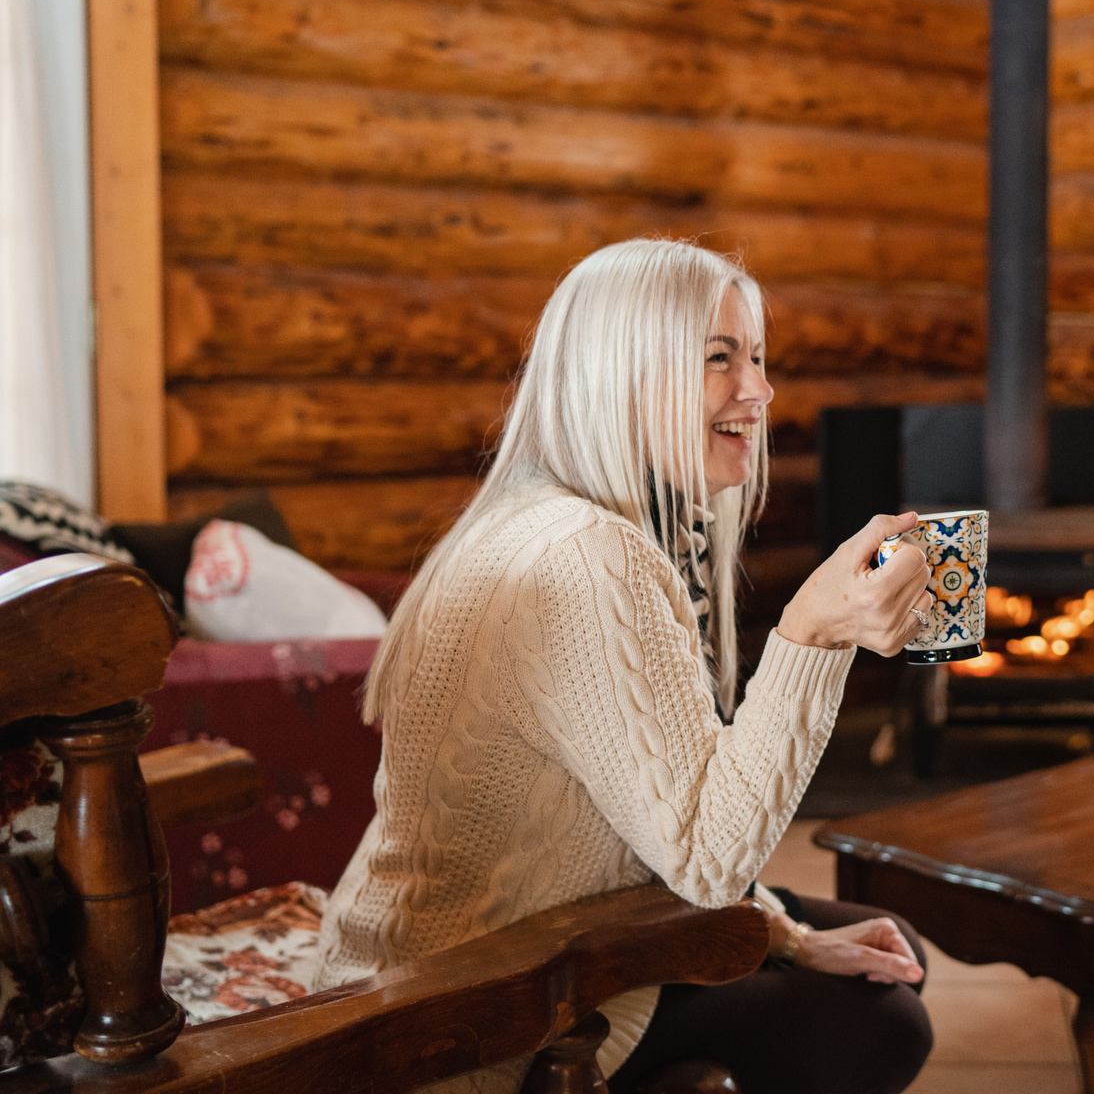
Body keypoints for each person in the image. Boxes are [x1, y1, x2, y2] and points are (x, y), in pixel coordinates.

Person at [313, 239, 937, 1094]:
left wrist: (785, 936)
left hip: (524, 945)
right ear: (620, 375)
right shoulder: (587, 558)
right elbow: (706, 858)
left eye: (757, 357)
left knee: (880, 945)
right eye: (719, 359)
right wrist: (813, 637)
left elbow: (653, 825)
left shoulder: (557, 518)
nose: (759, 390)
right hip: (472, 1020)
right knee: (882, 1023)